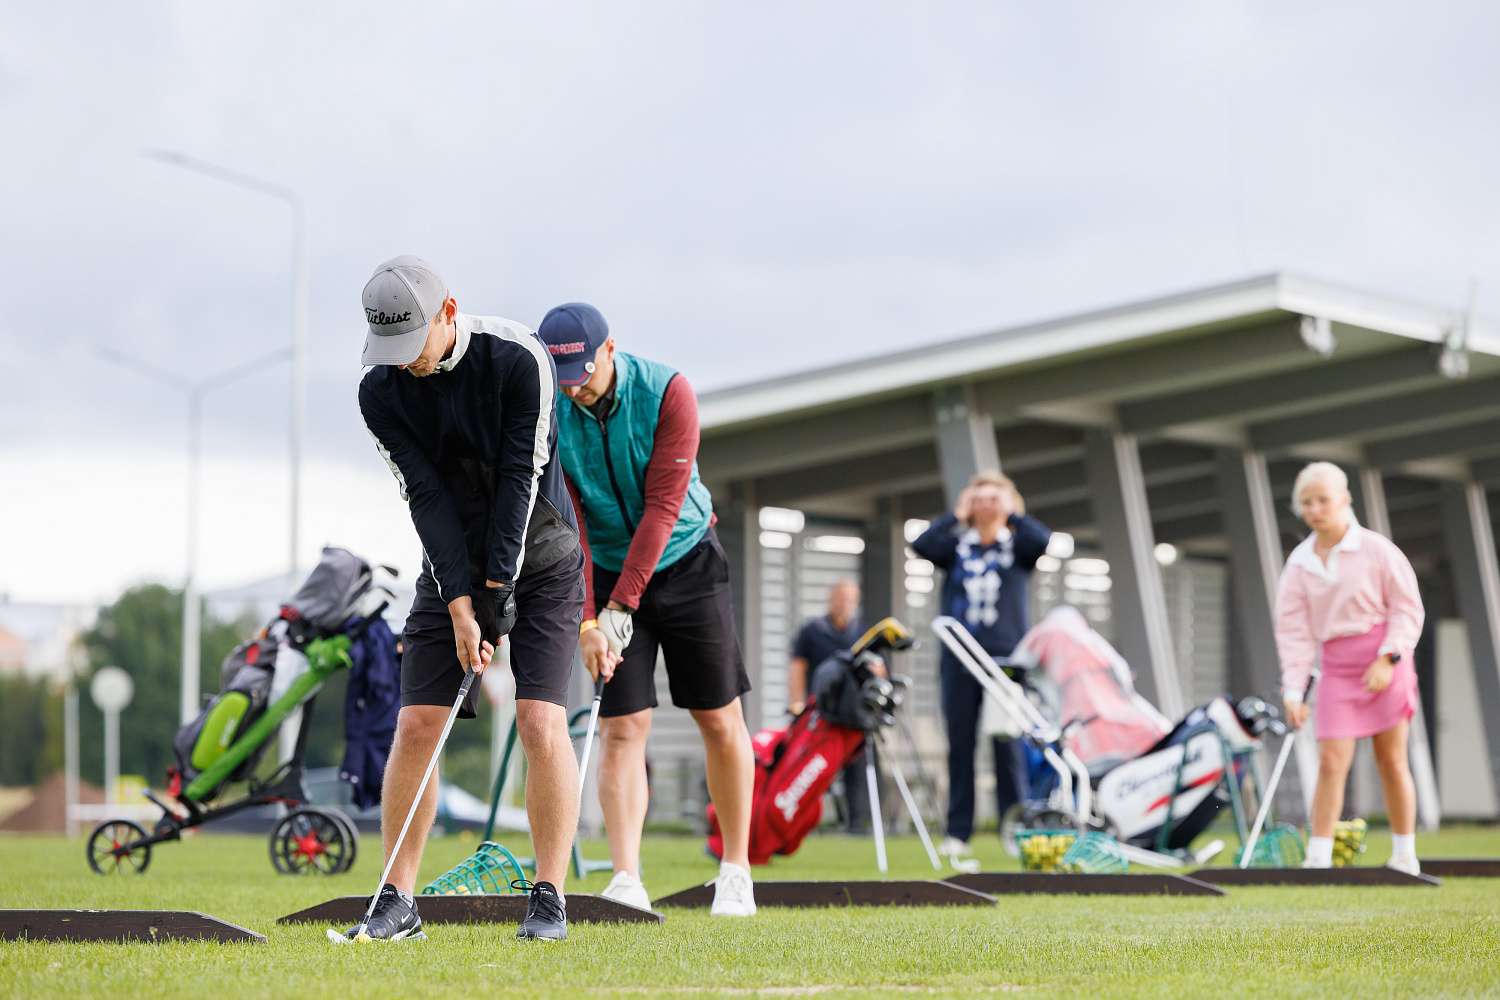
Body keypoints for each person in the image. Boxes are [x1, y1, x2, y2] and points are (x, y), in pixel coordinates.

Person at [353, 255, 587, 941]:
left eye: (413, 344)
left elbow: (522, 478)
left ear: (448, 313)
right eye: (389, 351)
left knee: (540, 719)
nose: (405, 364)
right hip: (449, 564)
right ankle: (397, 899)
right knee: (417, 725)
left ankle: (549, 896)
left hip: (541, 559)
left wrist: (497, 594)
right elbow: (424, 495)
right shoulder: (381, 394)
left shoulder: (519, 359)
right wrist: (460, 600)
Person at [536, 303, 757, 917]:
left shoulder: (669, 392)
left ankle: (735, 870)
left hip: (687, 561)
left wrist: (621, 606)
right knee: (622, 726)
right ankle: (626, 877)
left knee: (717, 719)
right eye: (564, 379)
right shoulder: (553, 405)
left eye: (583, 372)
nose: (575, 389)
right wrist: (588, 618)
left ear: (610, 351)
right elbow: (569, 518)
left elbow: (663, 506)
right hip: (605, 567)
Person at [1274, 462, 1425, 873]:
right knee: (1331, 762)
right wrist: (1293, 691)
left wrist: (1389, 658)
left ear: (1344, 500)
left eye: (1323, 500)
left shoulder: (1377, 549)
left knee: (1391, 762)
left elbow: (1406, 607)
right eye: (1307, 502)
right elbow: (1294, 634)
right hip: (1337, 669)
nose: (1315, 509)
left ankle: (1404, 855)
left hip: (1385, 662)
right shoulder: (1299, 563)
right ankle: (1318, 858)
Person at [911, 471, 1050, 866]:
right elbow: (921, 545)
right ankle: (958, 832)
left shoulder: (1017, 546)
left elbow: (1041, 541)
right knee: (961, 745)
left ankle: (1014, 825)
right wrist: (956, 514)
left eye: (994, 499)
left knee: (1008, 745)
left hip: (1004, 662)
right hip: (959, 659)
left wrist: (1012, 514)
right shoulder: (956, 547)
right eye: (979, 499)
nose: (986, 505)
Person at [788, 579, 883, 832]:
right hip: (820, 712)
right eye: (841, 596)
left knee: (857, 768)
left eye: (850, 597)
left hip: (852, 715)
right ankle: (802, 822)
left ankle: (856, 823)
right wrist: (796, 702)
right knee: (813, 769)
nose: (845, 602)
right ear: (831, 598)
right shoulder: (812, 631)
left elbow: (878, 669)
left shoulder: (861, 633)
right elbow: (798, 666)